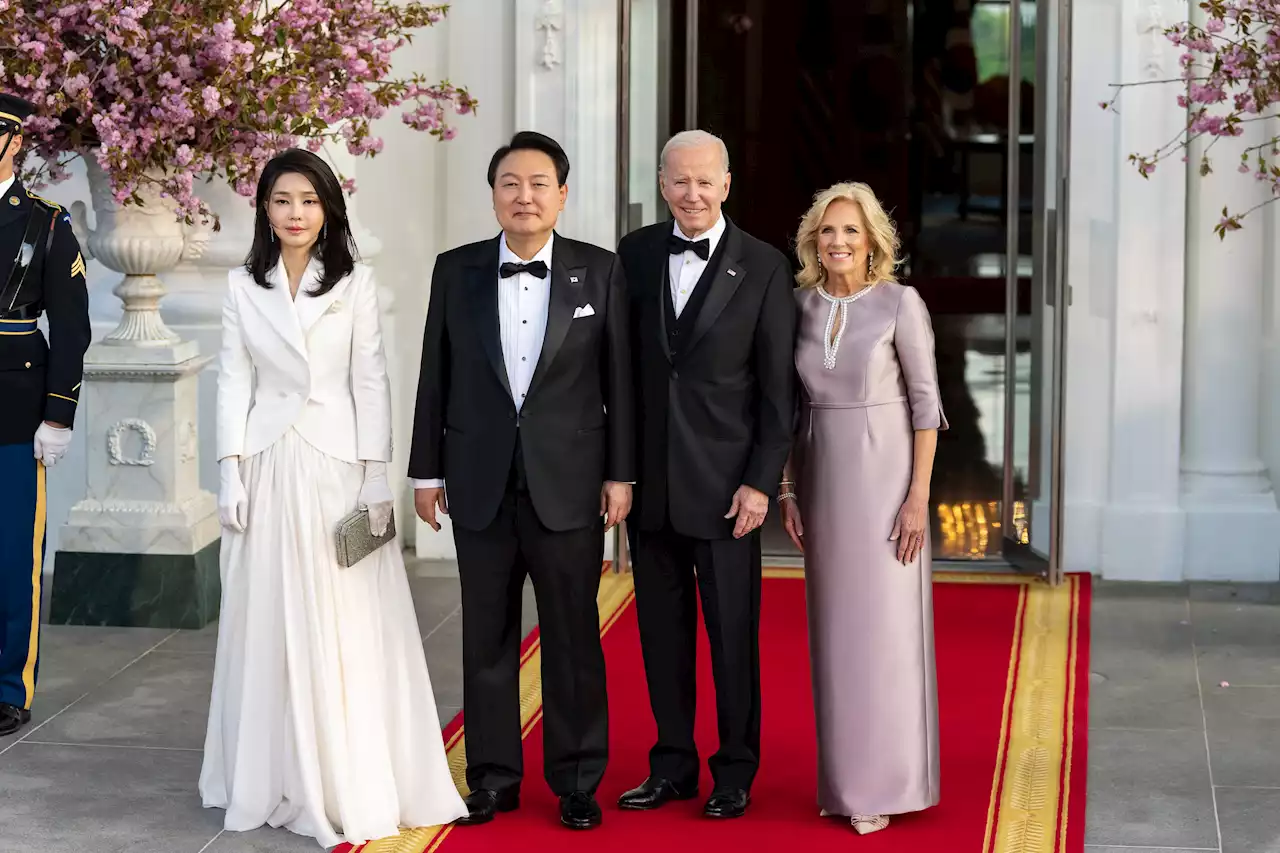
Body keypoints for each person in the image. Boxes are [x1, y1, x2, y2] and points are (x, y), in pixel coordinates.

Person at [200, 148, 467, 848]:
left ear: (328, 210)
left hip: (337, 467)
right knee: (268, 615)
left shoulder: (355, 282)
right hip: (266, 461)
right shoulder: (239, 285)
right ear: (264, 207)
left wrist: (377, 473)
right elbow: (232, 381)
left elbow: (372, 381)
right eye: (283, 200)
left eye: (309, 201)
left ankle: (346, 770)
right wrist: (228, 468)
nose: (296, 213)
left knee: (342, 614)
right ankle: (269, 770)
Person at [409, 131, 634, 831]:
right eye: (511, 182)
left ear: (562, 194)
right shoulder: (457, 270)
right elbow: (434, 376)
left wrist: (621, 473)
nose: (525, 195)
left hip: (569, 483)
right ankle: (494, 777)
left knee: (572, 638)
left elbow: (619, 383)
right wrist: (425, 470)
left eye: (539, 183)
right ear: (495, 194)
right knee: (487, 637)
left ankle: (575, 779)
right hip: (478, 480)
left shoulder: (600, 271)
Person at [615, 129, 796, 819]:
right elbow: (622, 375)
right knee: (660, 636)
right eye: (679, 181)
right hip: (652, 486)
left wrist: (761, 481)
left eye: (705, 181)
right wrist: (619, 472)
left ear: (726, 185)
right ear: (662, 184)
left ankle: (735, 770)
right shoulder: (632, 254)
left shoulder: (765, 265)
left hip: (729, 491)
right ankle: (671, 765)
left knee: (732, 639)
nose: (692, 193)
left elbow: (778, 391)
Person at [779, 182, 946, 835]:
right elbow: (790, 411)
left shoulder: (900, 303)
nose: (839, 242)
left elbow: (926, 405)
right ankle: (846, 782)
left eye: (851, 231)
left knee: (887, 633)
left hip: (886, 480)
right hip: (822, 479)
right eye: (828, 231)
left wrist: (917, 497)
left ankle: (894, 779)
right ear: (812, 241)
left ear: (874, 240)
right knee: (835, 634)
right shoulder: (797, 308)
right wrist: (789, 488)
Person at [0, 93, 91, 739]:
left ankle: (8, 687)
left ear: (12, 144)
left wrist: (58, 415)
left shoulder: (46, 224)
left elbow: (74, 326)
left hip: (13, 409)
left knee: (9, 556)